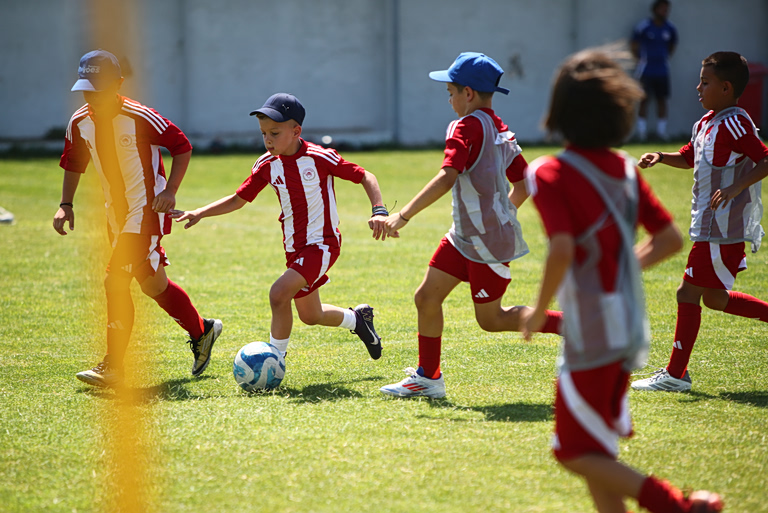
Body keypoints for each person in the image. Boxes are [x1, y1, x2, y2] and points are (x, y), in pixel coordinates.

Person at [521, 49, 723, 513]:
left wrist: (537, 309)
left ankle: (678, 506)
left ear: (559, 111)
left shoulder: (548, 171)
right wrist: (620, 266)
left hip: (590, 330)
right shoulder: (627, 170)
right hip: (629, 323)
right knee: (598, 449)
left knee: (570, 451)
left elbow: (563, 247)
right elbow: (670, 239)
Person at [377, 52, 562, 399]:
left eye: (450, 91)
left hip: (486, 243)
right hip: (465, 237)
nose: (448, 98)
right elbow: (523, 184)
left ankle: (571, 326)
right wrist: (501, 214)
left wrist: (402, 216)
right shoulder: (499, 127)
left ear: (469, 94)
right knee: (426, 298)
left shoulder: (464, 126)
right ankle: (428, 378)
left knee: (491, 320)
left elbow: (447, 177)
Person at [171, 93, 386, 363]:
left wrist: (379, 209)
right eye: (263, 134)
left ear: (296, 131)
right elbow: (239, 199)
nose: (268, 139)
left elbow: (365, 175)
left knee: (278, 294)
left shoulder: (320, 158)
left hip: (322, 244)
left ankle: (273, 362)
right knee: (311, 315)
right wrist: (201, 212)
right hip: (294, 248)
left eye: (274, 132)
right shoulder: (266, 165)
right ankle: (358, 320)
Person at [54, 50, 222, 388]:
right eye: (86, 90)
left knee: (114, 281)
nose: (92, 97)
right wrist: (65, 204)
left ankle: (113, 366)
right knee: (152, 284)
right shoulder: (80, 122)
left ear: (117, 84)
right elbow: (74, 162)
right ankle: (203, 331)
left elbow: (182, 145)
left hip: (146, 213)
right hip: (115, 216)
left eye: (98, 89)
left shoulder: (140, 116)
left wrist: (171, 191)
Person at [632, 51, 768, 393]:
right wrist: (661, 157)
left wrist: (737, 185)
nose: (698, 87)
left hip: (722, 230)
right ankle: (677, 374)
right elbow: (689, 156)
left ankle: (676, 375)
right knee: (715, 299)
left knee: (687, 293)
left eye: (705, 82)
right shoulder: (705, 122)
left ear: (726, 87)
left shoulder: (736, 122)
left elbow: (764, 157)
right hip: (708, 225)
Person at [631, 0, 678, 141]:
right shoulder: (644, 27)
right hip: (646, 70)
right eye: (662, 9)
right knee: (644, 99)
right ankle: (641, 134)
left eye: (667, 9)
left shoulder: (670, 28)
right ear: (655, 10)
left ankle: (661, 133)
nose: (665, 12)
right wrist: (640, 59)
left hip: (662, 70)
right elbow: (634, 45)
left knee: (662, 100)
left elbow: (672, 46)